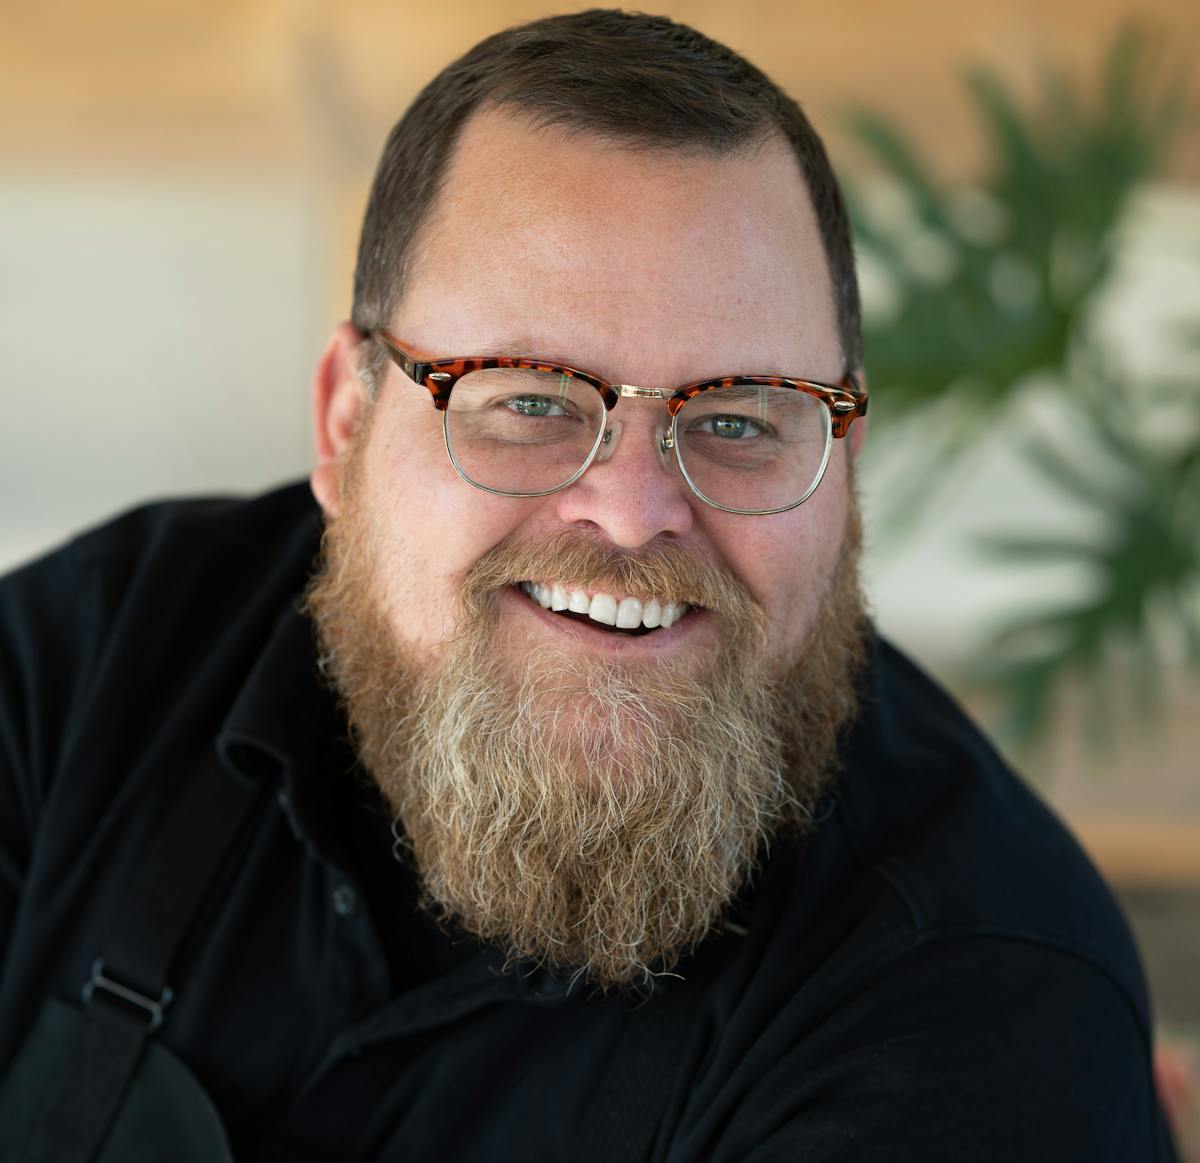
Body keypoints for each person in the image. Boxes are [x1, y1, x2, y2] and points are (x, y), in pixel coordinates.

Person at [0, 9, 1181, 1161]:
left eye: (735, 418)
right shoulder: (97, 659)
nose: (630, 509)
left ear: (841, 473)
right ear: (347, 419)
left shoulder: (981, 1000)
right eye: (527, 398)